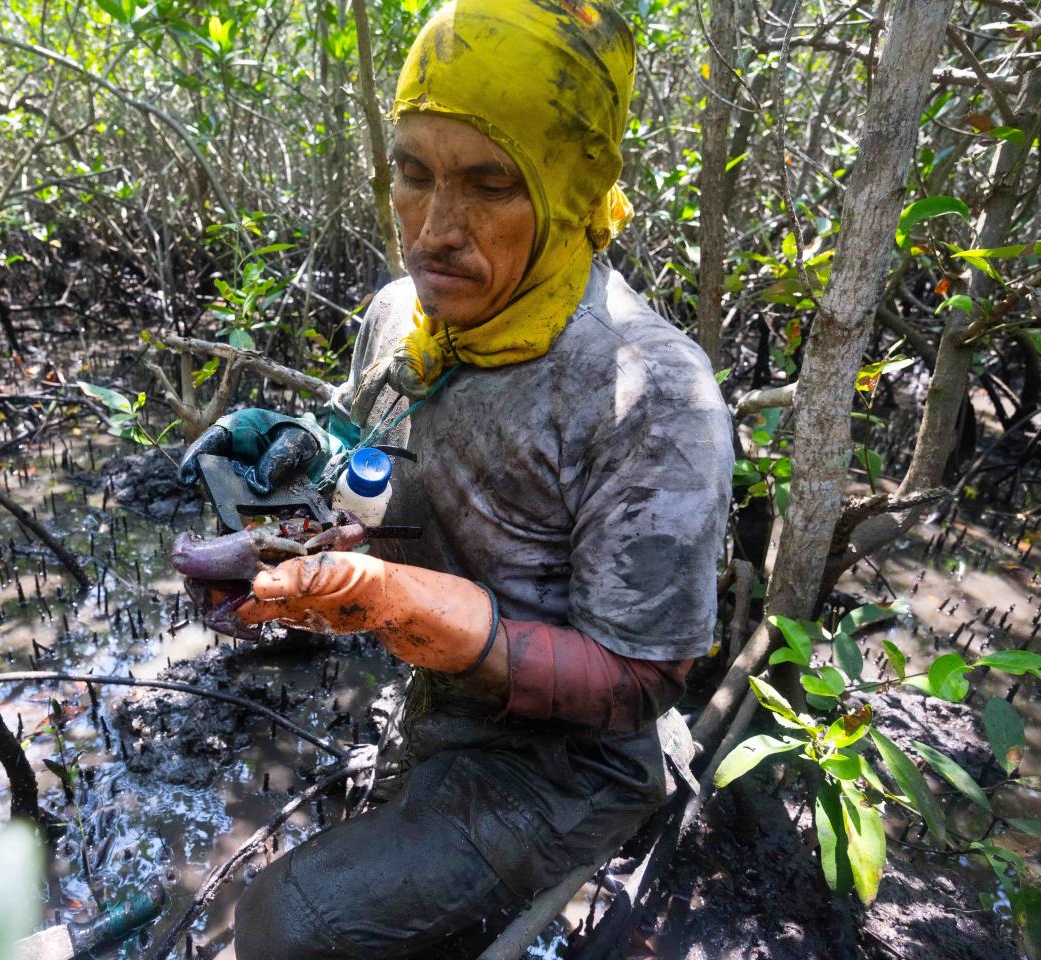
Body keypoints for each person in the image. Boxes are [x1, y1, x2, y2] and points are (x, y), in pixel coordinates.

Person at [177, 2, 733, 956]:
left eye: (490, 183)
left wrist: (427, 618)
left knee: (283, 925)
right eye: (412, 172)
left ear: (566, 186)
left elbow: (644, 681)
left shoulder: (649, 393)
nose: (434, 229)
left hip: (566, 764)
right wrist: (305, 466)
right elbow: (375, 452)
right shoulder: (405, 317)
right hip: (438, 697)